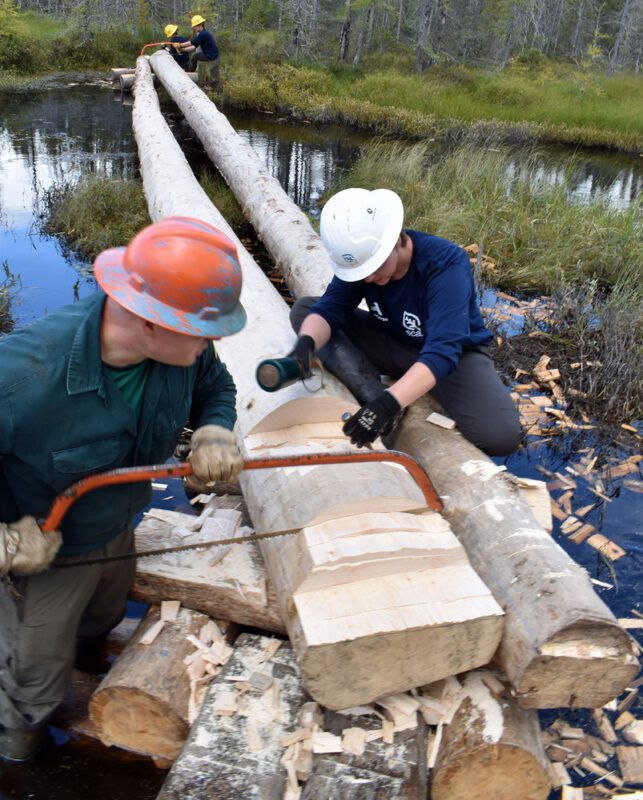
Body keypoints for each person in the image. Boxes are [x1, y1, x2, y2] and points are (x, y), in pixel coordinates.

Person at [0, 216, 246, 762]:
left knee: (102, 619)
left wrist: (213, 429)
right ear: (149, 321)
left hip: (117, 527)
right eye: (205, 329)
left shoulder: (182, 349)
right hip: (42, 553)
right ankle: (17, 753)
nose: (215, 340)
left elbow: (216, 387)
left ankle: (88, 665)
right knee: (31, 686)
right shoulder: (22, 377)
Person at [286, 188, 521, 456]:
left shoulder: (445, 265)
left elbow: (444, 351)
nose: (369, 278)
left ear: (395, 239)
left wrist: (390, 403)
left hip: (453, 359)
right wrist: (307, 342)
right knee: (306, 312)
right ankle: (370, 390)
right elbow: (329, 310)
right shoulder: (362, 267)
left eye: (374, 267)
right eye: (361, 272)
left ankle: (399, 393)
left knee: (501, 435)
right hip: (393, 341)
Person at [174, 14, 222, 90]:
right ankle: (190, 73)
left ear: (200, 25)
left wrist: (180, 45)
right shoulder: (201, 33)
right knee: (195, 56)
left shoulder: (203, 34)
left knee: (215, 79)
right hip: (207, 55)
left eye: (194, 26)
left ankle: (219, 93)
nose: (193, 28)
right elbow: (194, 46)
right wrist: (183, 50)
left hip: (214, 57)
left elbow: (192, 42)